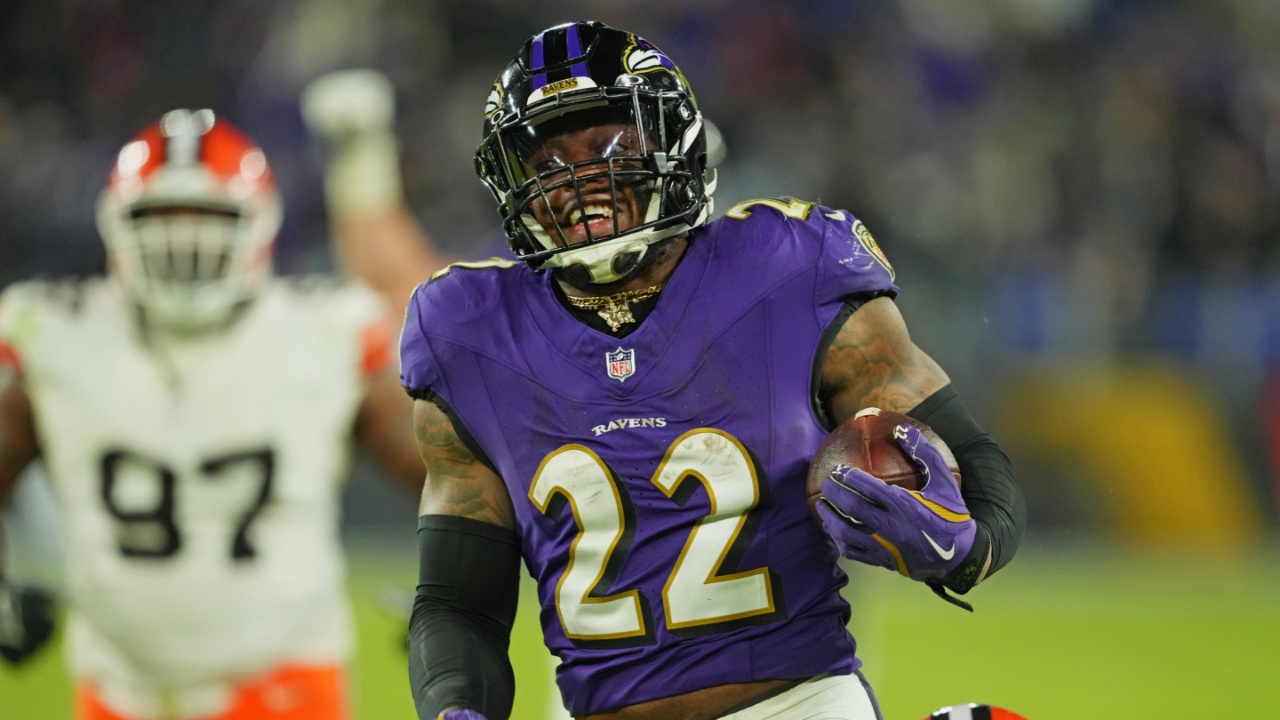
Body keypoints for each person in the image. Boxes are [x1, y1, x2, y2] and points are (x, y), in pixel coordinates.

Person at [400, 21, 1026, 720]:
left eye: (610, 143)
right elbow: (459, 603)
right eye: (547, 161)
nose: (579, 178)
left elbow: (975, 461)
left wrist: (967, 546)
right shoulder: (469, 331)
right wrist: (456, 709)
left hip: (798, 704)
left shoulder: (789, 268)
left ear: (676, 142)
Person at [0, 109, 434, 720]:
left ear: (258, 226)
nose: (183, 240)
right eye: (160, 220)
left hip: (285, 677)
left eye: (207, 219)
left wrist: (454, 592)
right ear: (115, 225)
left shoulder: (320, 333)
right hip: (116, 683)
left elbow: (446, 476)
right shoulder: (59, 336)